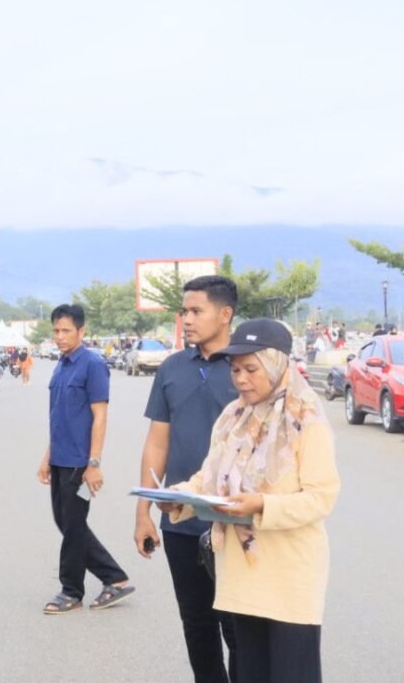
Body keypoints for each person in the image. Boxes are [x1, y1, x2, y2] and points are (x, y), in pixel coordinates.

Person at [162, 319, 340, 683]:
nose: (240, 379)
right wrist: (179, 496)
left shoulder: (306, 419)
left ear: (277, 365)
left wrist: (261, 506)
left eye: (250, 369)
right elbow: (210, 478)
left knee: (292, 674)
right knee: (250, 672)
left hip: (290, 573)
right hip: (241, 574)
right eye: (235, 369)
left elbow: (320, 498)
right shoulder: (233, 417)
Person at [135, 275, 240, 682]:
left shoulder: (246, 368)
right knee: (197, 625)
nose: (188, 319)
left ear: (225, 313)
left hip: (232, 520)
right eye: (185, 311)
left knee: (237, 626)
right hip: (179, 520)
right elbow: (157, 442)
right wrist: (144, 510)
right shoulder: (172, 368)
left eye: (197, 311)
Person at [38, 304, 133, 614]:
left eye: (66, 330)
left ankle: (71, 590)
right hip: (60, 458)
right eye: (56, 331)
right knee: (66, 523)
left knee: (73, 526)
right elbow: (58, 417)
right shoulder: (61, 366)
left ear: (81, 331)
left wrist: (94, 463)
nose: (60, 336)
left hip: (80, 461)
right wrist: (47, 457)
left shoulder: (92, 365)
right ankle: (114, 578)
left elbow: (99, 416)